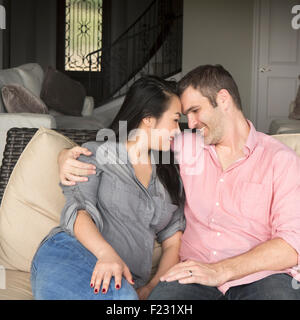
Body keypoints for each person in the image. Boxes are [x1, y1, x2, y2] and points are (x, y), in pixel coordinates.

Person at [61, 65, 300, 300]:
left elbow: (292, 244)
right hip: (189, 274)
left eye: (196, 111)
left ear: (223, 99)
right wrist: (63, 155)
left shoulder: (281, 160)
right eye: (185, 116)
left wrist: (219, 270)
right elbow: (130, 144)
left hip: (259, 277)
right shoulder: (182, 147)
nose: (192, 123)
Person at [30, 75, 186, 300]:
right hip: (72, 253)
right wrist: (106, 254)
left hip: (126, 277)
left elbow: (173, 242)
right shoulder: (97, 154)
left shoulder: (170, 177)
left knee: (125, 297)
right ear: (149, 119)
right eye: (174, 120)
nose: (178, 132)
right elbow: (78, 212)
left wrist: (152, 287)